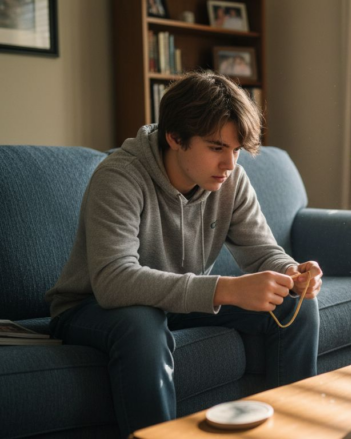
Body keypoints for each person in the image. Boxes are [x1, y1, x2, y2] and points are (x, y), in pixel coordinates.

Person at [44, 72, 323, 438]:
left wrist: (292, 272)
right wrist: (225, 289)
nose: (230, 164)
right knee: (140, 323)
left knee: (292, 304)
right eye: (216, 147)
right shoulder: (120, 177)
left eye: (236, 150)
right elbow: (113, 280)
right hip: (93, 307)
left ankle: (293, 432)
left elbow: (260, 250)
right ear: (175, 137)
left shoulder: (230, 180)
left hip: (172, 304)